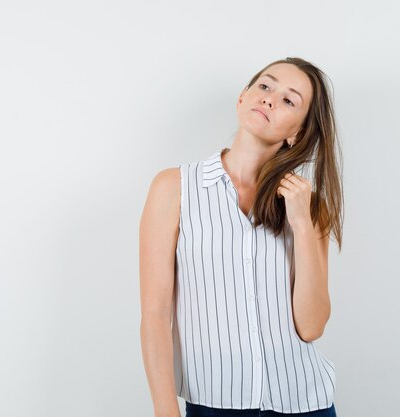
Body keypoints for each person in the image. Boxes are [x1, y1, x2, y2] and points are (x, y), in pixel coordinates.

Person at [139, 57, 344, 417]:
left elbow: (312, 326)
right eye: (265, 86)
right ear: (242, 97)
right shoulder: (174, 188)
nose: (269, 98)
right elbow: (155, 314)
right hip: (215, 406)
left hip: (305, 404)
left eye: (288, 100)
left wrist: (300, 222)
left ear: (296, 132)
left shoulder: (308, 205)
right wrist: (164, 410)